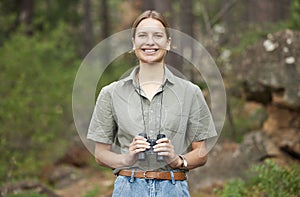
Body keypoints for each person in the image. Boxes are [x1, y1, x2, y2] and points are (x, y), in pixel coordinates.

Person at [87, 10, 217, 197]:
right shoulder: (111, 93)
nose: (150, 42)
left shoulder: (190, 92)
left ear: (168, 43)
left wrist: (177, 160)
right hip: (128, 188)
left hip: (173, 188)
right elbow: (100, 154)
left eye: (157, 35)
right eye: (142, 36)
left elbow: (201, 152)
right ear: (133, 43)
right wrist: (126, 158)